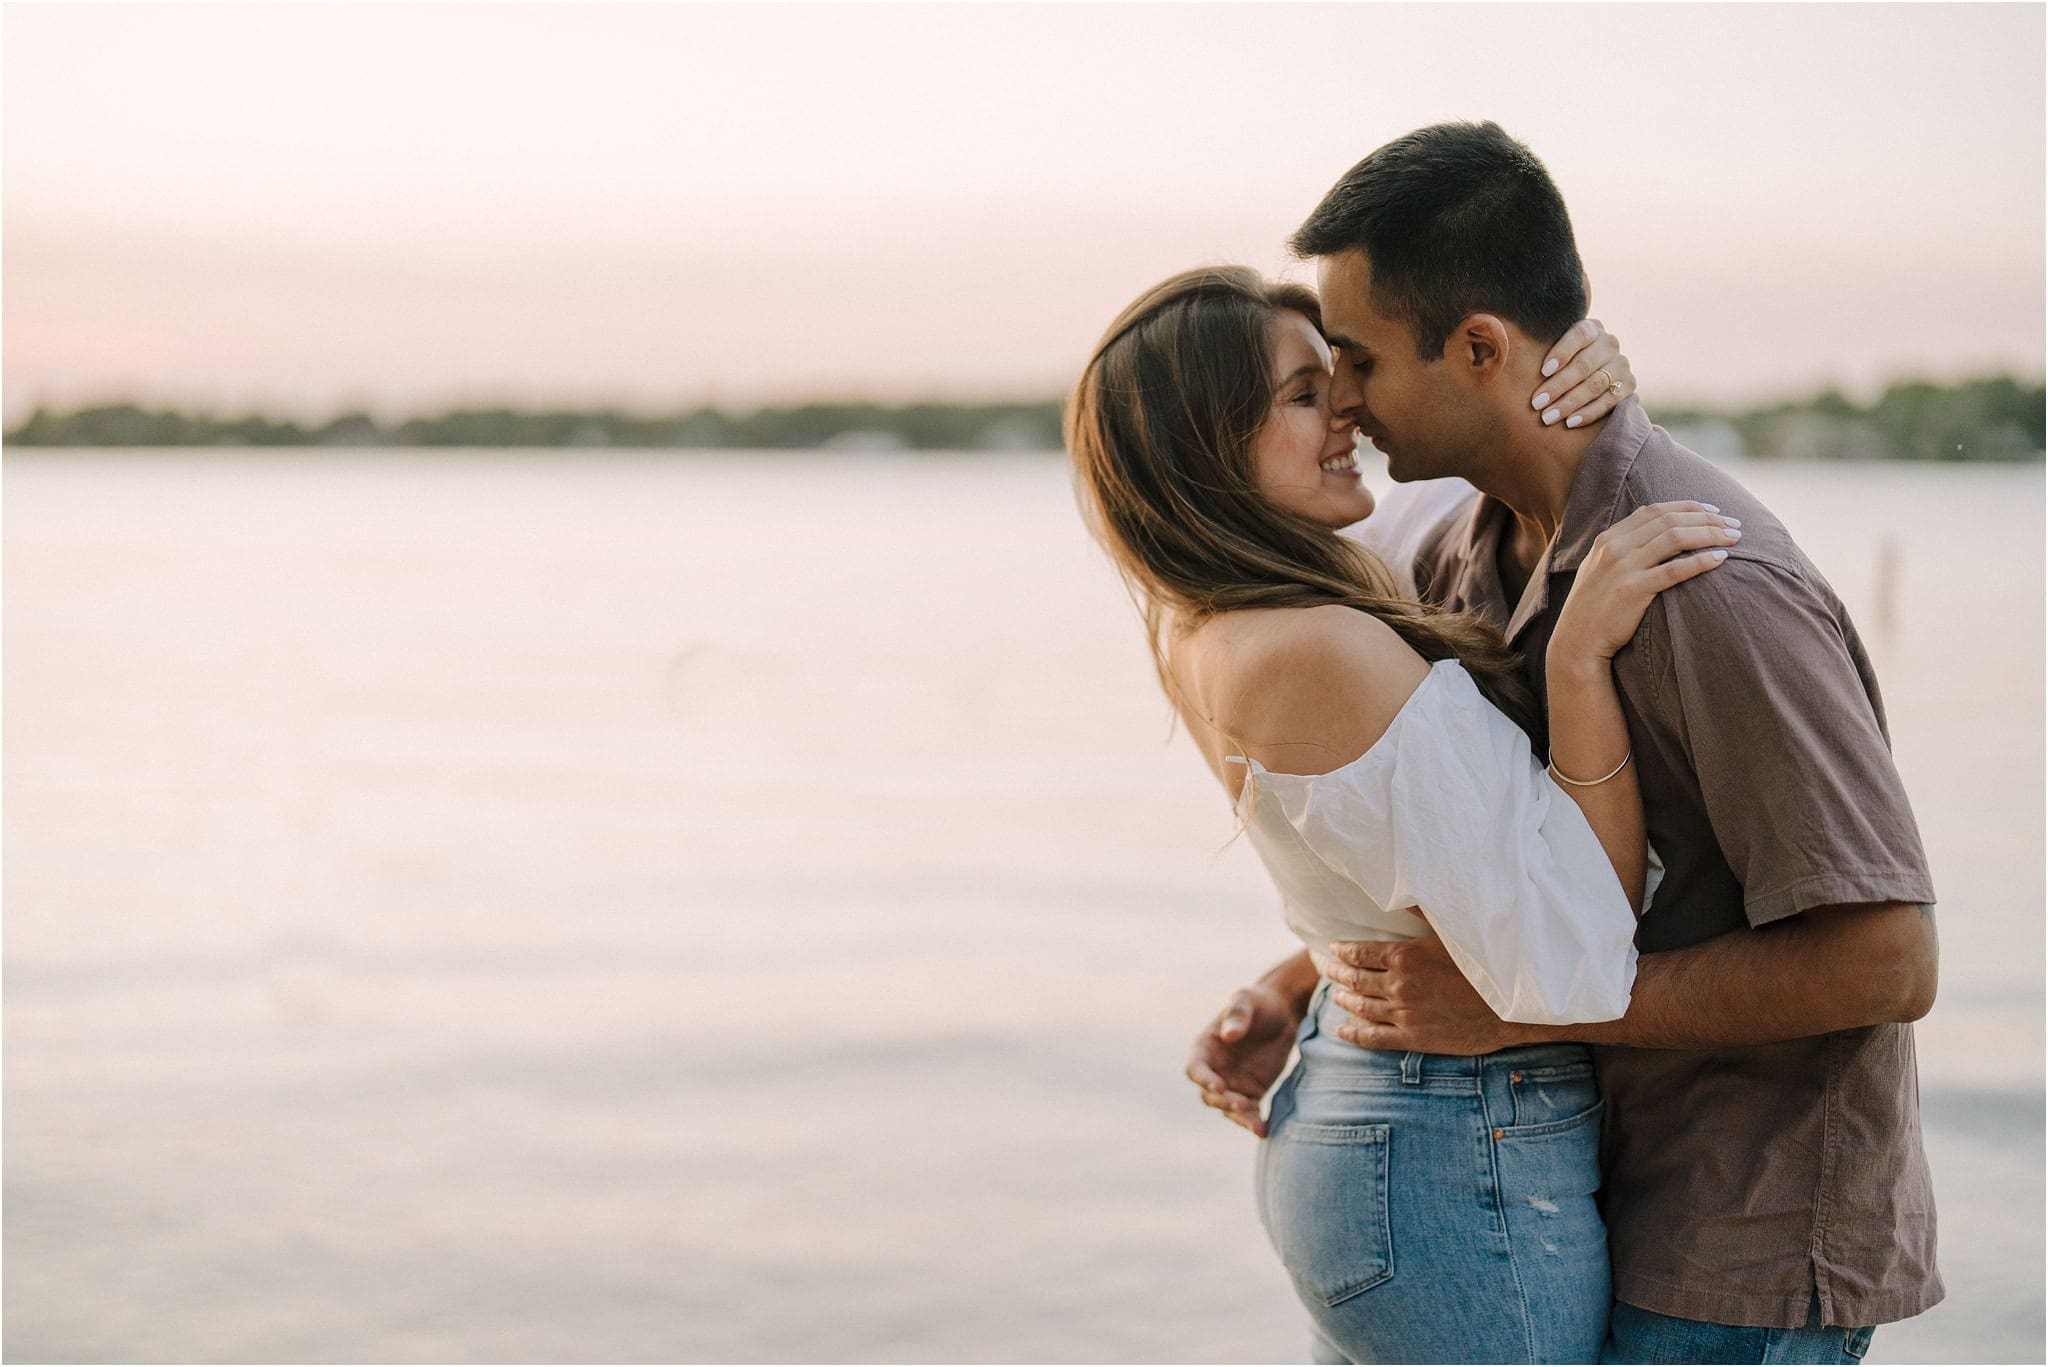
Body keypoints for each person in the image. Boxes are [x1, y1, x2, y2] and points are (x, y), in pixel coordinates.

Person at [1188, 122, 1940, 1366]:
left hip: (1733, 1242)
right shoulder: (1453, 553)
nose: (1346, 402)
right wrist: (1309, 982)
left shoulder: (1708, 584)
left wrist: (1527, 1007)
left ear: (1477, 346)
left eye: (1359, 362)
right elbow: (1489, 851)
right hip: (1580, 1182)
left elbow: (1885, 959)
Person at [1068, 264, 1741, 1363]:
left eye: (1337, 371)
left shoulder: (1228, 615)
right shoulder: (1315, 646)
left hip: (1389, 1126)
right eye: (1299, 392)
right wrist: (1577, 665)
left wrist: (1583, 393)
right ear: (1206, 439)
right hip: (1443, 1148)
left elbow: (1498, 482)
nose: (1345, 405)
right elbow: (1574, 950)